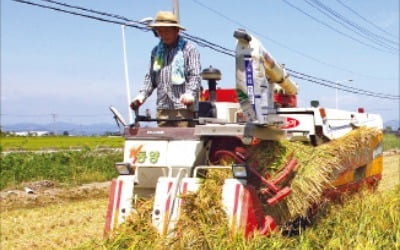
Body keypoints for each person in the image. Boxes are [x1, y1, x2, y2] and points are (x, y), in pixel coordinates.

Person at [130, 11, 201, 127]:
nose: (164, 35)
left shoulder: (188, 49)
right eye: (160, 31)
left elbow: (195, 75)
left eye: (167, 31)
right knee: (163, 141)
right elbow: (151, 77)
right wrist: (142, 95)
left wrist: (190, 93)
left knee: (183, 142)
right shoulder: (156, 51)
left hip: (183, 109)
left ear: (176, 31)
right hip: (163, 108)